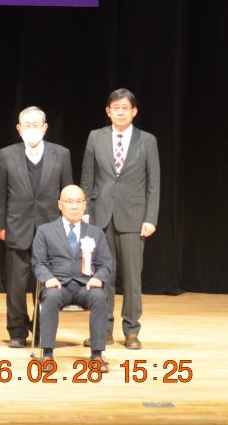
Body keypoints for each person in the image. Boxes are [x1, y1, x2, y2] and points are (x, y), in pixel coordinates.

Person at [81, 89, 160, 350]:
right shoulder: (96, 137)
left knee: (132, 278)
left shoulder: (147, 140)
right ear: (108, 111)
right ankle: (103, 330)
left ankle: (131, 330)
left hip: (134, 218)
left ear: (134, 112)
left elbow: (153, 184)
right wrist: (85, 213)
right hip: (100, 217)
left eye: (125, 108)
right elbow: (87, 178)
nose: (120, 112)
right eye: (116, 108)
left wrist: (150, 218)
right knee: (103, 276)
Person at [0, 106, 74, 348]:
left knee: (48, 283)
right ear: (19, 129)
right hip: (16, 227)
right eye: (26, 125)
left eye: (36, 125)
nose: (31, 129)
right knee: (16, 285)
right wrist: (0, 225)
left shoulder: (61, 154)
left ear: (45, 128)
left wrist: (67, 226)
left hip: (51, 229)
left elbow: (67, 192)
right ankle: (17, 331)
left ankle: (41, 330)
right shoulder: (7, 154)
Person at [32, 185, 113, 371]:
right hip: (58, 285)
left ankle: (97, 355)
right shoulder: (45, 231)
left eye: (78, 202)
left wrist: (99, 277)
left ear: (85, 205)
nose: (74, 206)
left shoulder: (96, 232)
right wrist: (48, 278)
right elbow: (38, 263)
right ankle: (47, 355)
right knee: (51, 296)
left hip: (86, 286)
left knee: (100, 296)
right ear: (60, 205)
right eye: (69, 202)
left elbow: (106, 264)